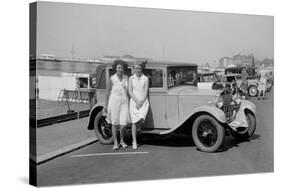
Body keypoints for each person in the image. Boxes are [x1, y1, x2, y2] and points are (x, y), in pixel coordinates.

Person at [103, 59, 130, 150]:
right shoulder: (112, 78)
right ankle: (116, 142)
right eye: (118, 68)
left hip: (124, 102)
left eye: (122, 68)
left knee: (123, 124)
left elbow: (129, 91)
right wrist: (106, 106)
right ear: (115, 68)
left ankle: (122, 140)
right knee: (114, 123)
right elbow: (107, 93)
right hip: (114, 102)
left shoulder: (126, 77)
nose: (120, 70)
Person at [129, 61, 149, 149]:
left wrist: (141, 102)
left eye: (139, 68)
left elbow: (146, 91)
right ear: (134, 69)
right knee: (134, 122)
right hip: (134, 101)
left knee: (141, 120)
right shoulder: (131, 79)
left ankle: (139, 132)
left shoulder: (145, 78)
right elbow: (130, 91)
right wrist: (137, 101)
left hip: (143, 101)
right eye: (136, 68)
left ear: (141, 69)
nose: (138, 70)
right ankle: (134, 141)